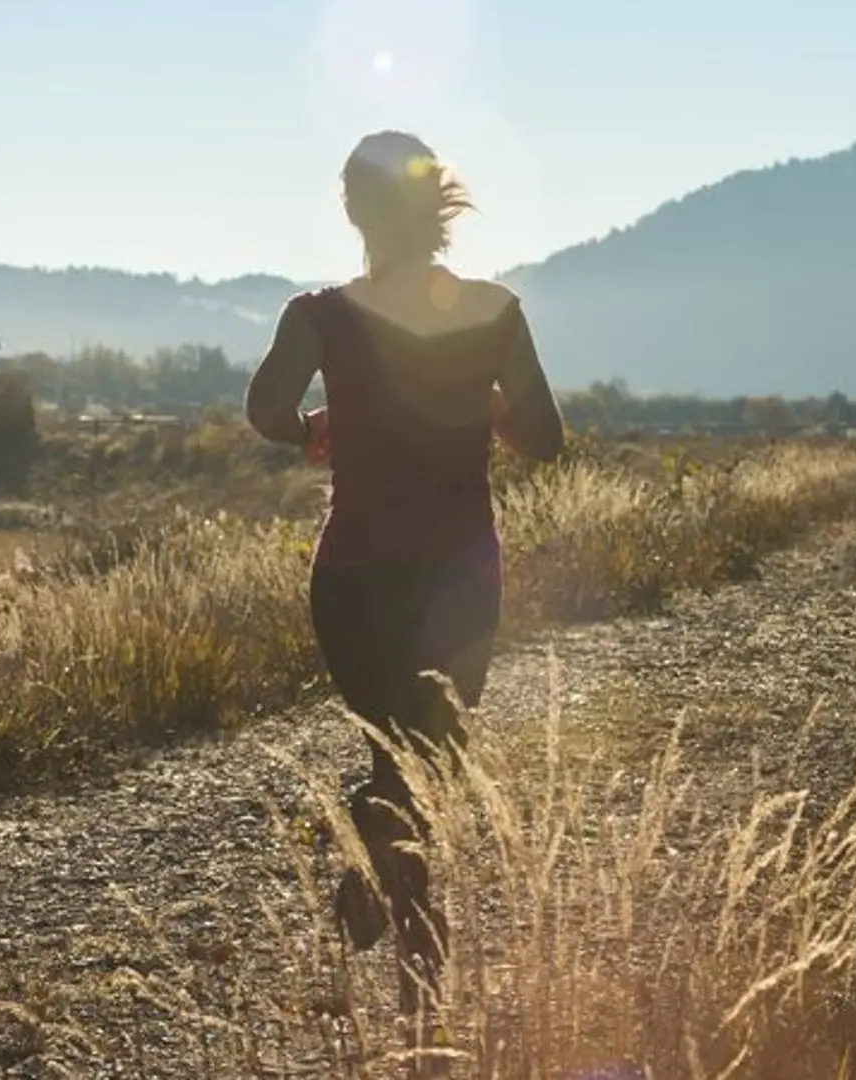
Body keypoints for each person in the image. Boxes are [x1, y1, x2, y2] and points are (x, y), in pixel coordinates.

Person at [244, 130, 565, 1047]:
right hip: (461, 580)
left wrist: (317, 422)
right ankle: (420, 995)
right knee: (427, 765)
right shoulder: (496, 311)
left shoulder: (319, 315)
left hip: (354, 584)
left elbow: (265, 411)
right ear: (439, 207)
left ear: (352, 209)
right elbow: (546, 437)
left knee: (404, 762)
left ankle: (368, 888)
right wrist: (488, 408)